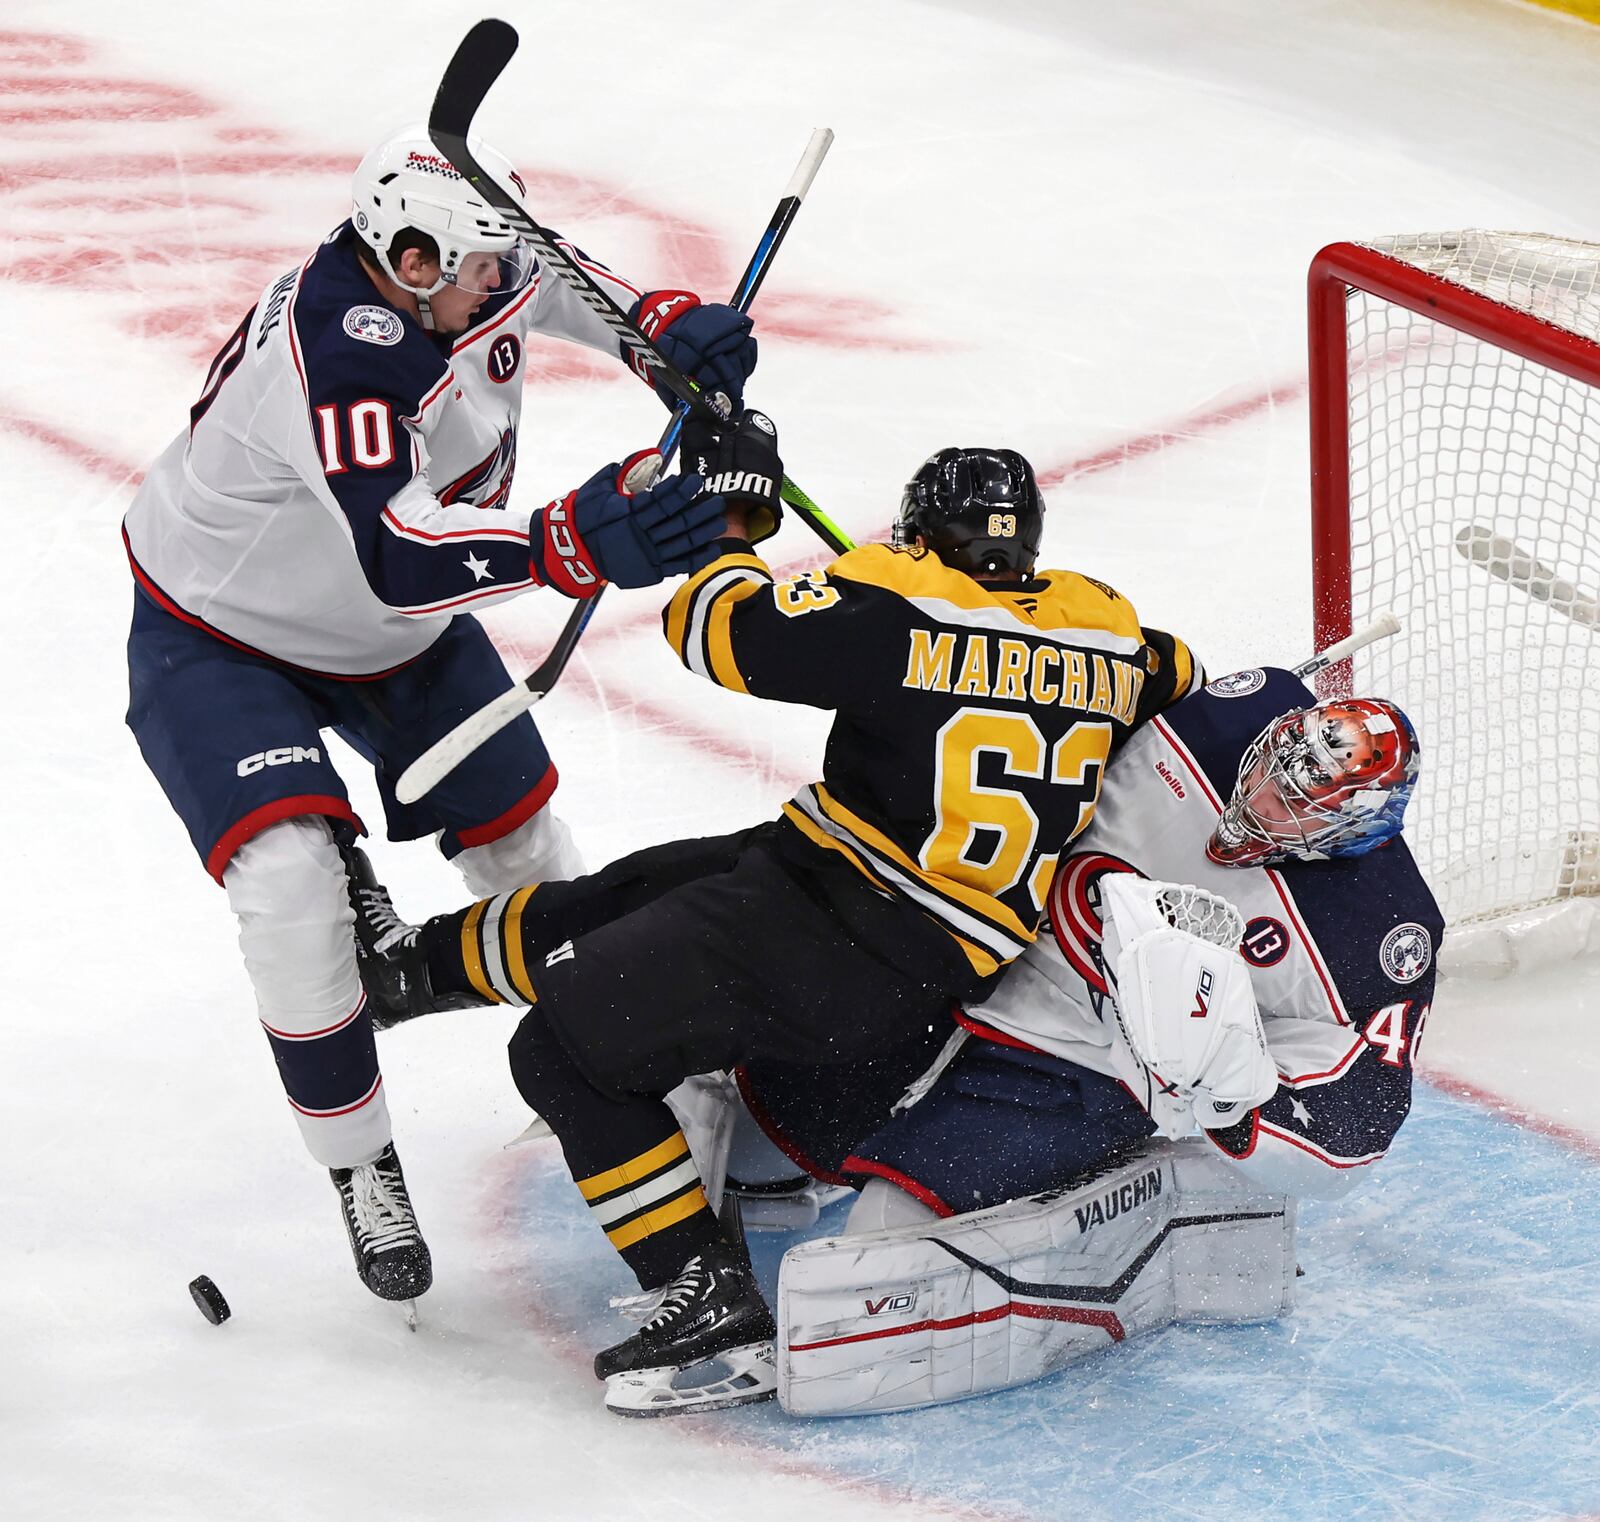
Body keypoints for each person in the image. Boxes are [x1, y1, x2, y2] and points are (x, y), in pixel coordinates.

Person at [356, 429, 1202, 1412]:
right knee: (624, 897)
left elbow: (713, 628)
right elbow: (1176, 679)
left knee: (563, 1048)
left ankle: (702, 1294)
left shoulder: (893, 593)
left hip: (851, 941)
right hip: (856, 894)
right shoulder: (1110, 629)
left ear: (923, 530)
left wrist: (734, 512)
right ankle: (405, 971)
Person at [122, 124, 755, 1311]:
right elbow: (401, 556)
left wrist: (660, 328)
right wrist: (564, 540)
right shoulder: (345, 349)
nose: (501, 288)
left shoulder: (457, 269)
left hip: (392, 640)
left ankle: (631, 1053)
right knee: (290, 888)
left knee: (525, 843)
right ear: (407, 264)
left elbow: (552, 278)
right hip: (222, 633)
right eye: (477, 271)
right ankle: (359, 1162)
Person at [719, 670, 1444, 1412]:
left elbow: (1360, 1120)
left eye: (1292, 802)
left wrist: (1233, 1094)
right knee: (766, 1131)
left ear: (1354, 828)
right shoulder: (1225, 720)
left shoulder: (1381, 932)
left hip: (1080, 1068)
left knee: (887, 1227)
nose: (1257, 800)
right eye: (1265, 769)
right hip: (966, 956)